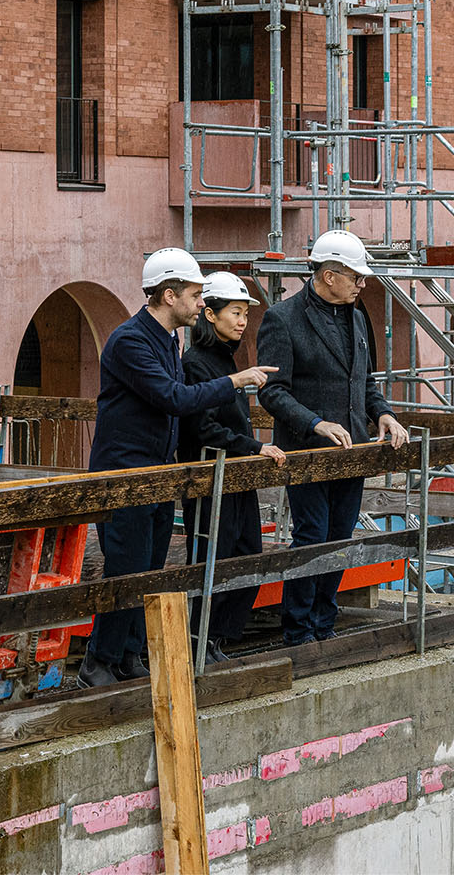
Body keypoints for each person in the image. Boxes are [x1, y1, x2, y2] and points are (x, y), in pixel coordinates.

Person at [79, 248, 277, 688]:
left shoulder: (168, 340)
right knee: (126, 570)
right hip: (126, 476)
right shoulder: (131, 341)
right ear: (169, 295)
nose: (200, 301)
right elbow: (173, 398)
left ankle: (129, 656)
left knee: (148, 568)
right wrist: (235, 382)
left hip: (156, 474)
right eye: (194, 293)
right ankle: (98, 661)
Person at [255, 229, 409, 646]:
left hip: (351, 452)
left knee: (339, 536)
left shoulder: (357, 317)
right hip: (305, 452)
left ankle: (324, 622)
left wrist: (385, 414)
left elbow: (365, 381)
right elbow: (270, 390)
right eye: (356, 277)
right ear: (327, 275)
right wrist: (315, 423)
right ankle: (299, 629)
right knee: (312, 536)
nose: (362, 284)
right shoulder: (282, 319)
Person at [178, 272, 286, 662]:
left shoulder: (227, 360)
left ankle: (216, 639)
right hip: (210, 479)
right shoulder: (196, 365)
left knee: (247, 557)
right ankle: (197, 641)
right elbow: (202, 427)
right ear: (210, 314)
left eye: (244, 313)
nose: (242, 321)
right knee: (213, 560)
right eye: (235, 312)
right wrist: (254, 446)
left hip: (237, 478)